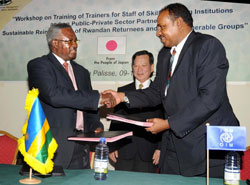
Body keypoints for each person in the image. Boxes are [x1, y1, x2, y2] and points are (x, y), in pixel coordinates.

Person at [103, 3, 239, 178]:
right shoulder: (165, 54)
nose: (158, 32)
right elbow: (156, 92)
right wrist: (122, 96)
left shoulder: (207, 46)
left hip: (207, 145)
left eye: (162, 26)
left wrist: (168, 124)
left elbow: (209, 99)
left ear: (179, 23)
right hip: (174, 144)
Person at [27, 23, 110, 169]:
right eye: (69, 41)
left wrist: (95, 125)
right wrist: (97, 98)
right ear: (54, 43)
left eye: (75, 41)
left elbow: (87, 108)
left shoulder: (82, 72)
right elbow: (54, 95)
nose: (75, 45)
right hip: (54, 146)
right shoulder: (39, 65)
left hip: (81, 145)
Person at [109, 50, 164, 173]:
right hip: (124, 152)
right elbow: (115, 122)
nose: (139, 70)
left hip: (150, 153)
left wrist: (161, 148)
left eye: (143, 66)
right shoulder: (122, 91)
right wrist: (112, 147)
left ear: (152, 68)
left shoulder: (161, 92)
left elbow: (165, 122)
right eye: (135, 65)